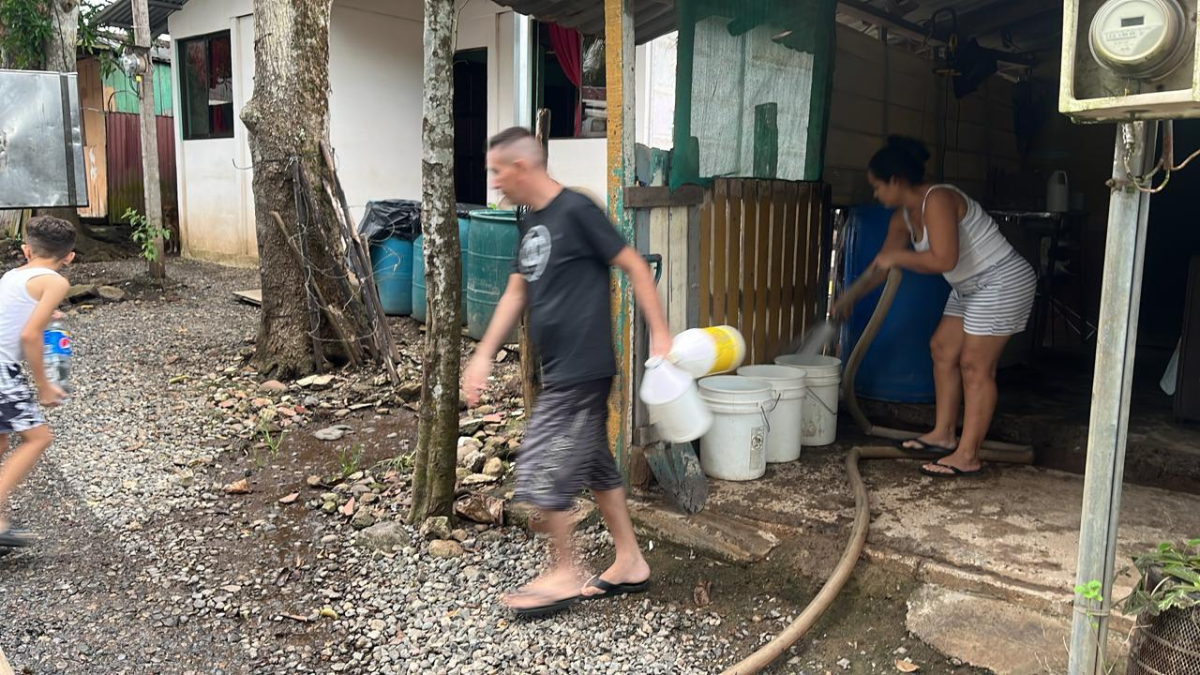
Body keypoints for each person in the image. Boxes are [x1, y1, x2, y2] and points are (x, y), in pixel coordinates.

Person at [463, 127, 672, 617]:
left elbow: (636, 267)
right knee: (597, 466)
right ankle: (630, 561)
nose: (494, 182)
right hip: (558, 369)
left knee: (540, 467)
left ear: (520, 167)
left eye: (497, 171)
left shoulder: (577, 212)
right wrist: (482, 356)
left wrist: (660, 333)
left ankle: (563, 571)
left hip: (583, 366)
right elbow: (517, 292)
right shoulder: (529, 221)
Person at [863, 136, 1036, 478]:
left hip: (1000, 280)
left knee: (974, 365)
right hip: (968, 285)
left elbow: (944, 258)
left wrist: (898, 257)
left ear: (896, 181)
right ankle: (943, 435)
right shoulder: (902, 218)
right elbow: (881, 265)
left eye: (877, 186)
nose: (875, 194)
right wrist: (846, 301)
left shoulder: (938, 198)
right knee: (942, 348)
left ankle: (968, 455)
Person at [0, 216, 74, 546]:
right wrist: (44, 386)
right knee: (38, 438)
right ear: (69, 256)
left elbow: (15, 316)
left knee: (2, 442)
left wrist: (45, 316)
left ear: (27, 251)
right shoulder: (55, 281)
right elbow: (30, 335)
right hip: (2, 370)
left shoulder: (12, 275)